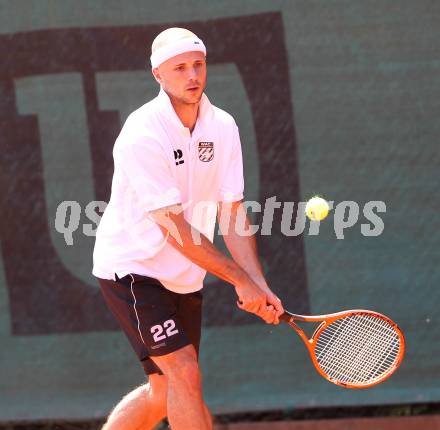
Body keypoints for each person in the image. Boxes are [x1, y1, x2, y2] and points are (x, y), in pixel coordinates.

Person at [93, 27, 284, 430]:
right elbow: (173, 228)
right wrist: (237, 279)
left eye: (198, 65)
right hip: (133, 268)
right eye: (179, 68)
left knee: (164, 391)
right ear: (158, 76)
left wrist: (256, 282)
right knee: (184, 371)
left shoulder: (224, 126)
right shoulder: (142, 133)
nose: (192, 75)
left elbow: (231, 212)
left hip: (184, 277)